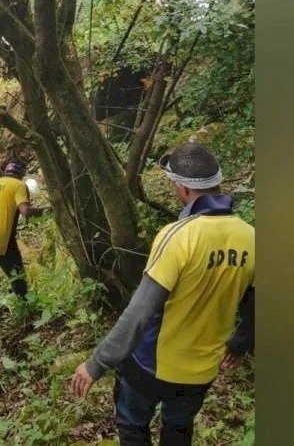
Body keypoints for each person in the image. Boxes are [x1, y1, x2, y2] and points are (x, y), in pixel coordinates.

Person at [70, 142, 255, 446]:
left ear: (182, 190)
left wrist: (97, 364)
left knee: (131, 425)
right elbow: (257, 301)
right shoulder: (250, 236)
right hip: (202, 370)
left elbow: (141, 311)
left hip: (151, 364)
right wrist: (240, 343)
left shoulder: (178, 236)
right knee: (178, 429)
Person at [0, 159, 47, 316]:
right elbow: (26, 211)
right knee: (17, 276)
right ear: (21, 174)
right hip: (2, 241)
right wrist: (48, 210)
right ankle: (27, 310)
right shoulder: (19, 185)